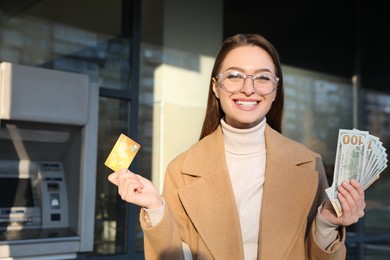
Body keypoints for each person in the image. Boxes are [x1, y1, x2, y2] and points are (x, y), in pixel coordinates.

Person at [108, 33, 366, 259]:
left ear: (276, 90)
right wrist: (155, 208)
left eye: (262, 78)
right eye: (234, 76)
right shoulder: (182, 169)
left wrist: (327, 223)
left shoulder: (309, 162)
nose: (248, 88)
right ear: (216, 87)